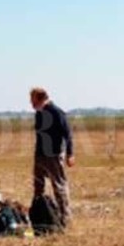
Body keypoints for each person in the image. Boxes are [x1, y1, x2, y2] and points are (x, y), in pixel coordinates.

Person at [30, 87, 73, 226]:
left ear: (40, 98)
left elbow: (68, 134)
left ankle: (64, 218)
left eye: (33, 99)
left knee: (59, 187)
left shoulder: (57, 112)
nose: (31, 103)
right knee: (38, 186)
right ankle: (40, 215)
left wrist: (70, 154)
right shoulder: (39, 114)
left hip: (54, 155)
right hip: (40, 155)